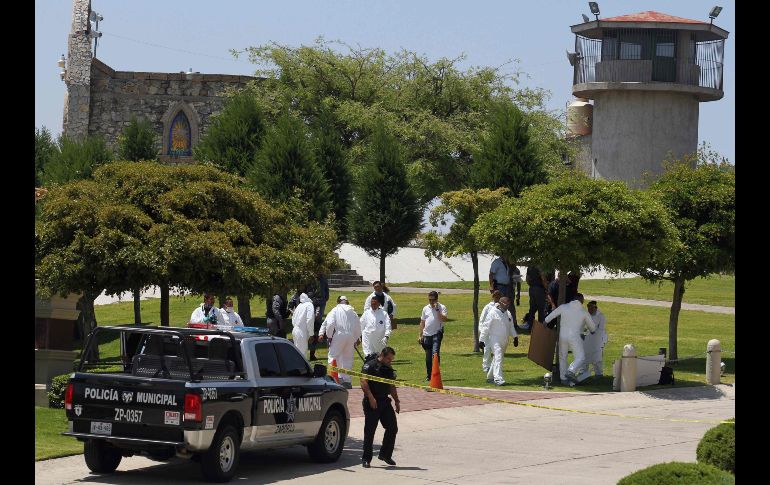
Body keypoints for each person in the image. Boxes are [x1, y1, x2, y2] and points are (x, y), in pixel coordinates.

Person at [360, 346, 400, 468]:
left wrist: (396, 400)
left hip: (385, 401)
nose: (390, 361)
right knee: (370, 431)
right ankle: (366, 459)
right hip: (372, 401)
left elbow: (392, 385)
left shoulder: (388, 368)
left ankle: (385, 455)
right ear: (382, 355)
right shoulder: (370, 365)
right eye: (388, 359)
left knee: (392, 428)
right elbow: (363, 382)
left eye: (391, 359)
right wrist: (371, 397)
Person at [544, 293, 596, 386]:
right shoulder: (583, 312)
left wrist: (545, 321)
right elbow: (592, 328)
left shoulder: (564, 307)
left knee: (563, 356)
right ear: (581, 300)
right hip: (575, 336)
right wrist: (592, 331)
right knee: (580, 357)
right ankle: (571, 371)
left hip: (562, 335)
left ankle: (563, 379)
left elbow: (552, 314)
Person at [317, 295, 361, 388]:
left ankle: (332, 378)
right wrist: (356, 338)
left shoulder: (335, 310)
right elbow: (358, 325)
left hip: (339, 335)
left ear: (338, 302)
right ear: (347, 302)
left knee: (333, 356)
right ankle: (347, 381)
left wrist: (329, 336)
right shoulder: (352, 311)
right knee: (348, 359)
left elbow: (329, 323)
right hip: (350, 336)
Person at [478, 297, 518, 386]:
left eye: (508, 305)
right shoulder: (492, 312)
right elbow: (486, 327)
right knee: (498, 356)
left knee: (497, 358)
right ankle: (498, 378)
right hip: (495, 339)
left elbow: (511, 326)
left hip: (505, 340)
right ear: (500, 303)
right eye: (505, 305)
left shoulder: (508, 313)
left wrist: (515, 337)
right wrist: (481, 340)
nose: (507, 307)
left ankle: (490, 377)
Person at [418, 291, 448, 381]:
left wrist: (437, 310)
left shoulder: (442, 307)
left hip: (437, 333)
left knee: (435, 354)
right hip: (427, 334)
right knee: (428, 356)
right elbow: (422, 322)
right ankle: (429, 375)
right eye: (429, 300)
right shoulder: (425, 308)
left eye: (433, 300)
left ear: (437, 299)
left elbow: (444, 319)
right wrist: (420, 335)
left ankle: (436, 375)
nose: (431, 302)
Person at [576, 300, 608, 382]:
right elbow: (581, 327)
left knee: (597, 358)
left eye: (591, 308)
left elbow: (601, 330)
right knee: (584, 356)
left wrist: (593, 333)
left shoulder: (601, 316)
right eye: (588, 308)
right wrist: (581, 333)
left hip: (597, 340)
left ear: (595, 308)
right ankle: (582, 372)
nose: (589, 309)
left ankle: (598, 374)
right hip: (586, 340)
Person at [479, 290, 502, 373]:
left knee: (497, 350)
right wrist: (482, 331)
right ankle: (486, 366)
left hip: (496, 332)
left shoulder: (502, 307)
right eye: (496, 297)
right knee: (487, 349)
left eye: (499, 297)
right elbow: (482, 319)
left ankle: (496, 366)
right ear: (493, 297)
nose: (497, 298)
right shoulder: (488, 307)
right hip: (487, 331)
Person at [290, 293, 315, 358]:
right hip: (302, 332)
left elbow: (293, 318)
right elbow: (309, 320)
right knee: (302, 354)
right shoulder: (309, 305)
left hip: (295, 330)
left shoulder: (299, 305)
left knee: (297, 353)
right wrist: (311, 334)